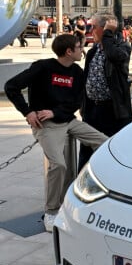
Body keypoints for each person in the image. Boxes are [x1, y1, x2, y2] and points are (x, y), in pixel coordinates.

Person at [4, 33, 108, 232]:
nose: (82, 50)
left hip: (68, 120)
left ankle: (84, 190)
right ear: (69, 51)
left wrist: (56, 111)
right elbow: (11, 87)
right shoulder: (42, 67)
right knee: (58, 165)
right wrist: (27, 112)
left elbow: (76, 102)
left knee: (106, 143)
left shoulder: (77, 72)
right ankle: (51, 211)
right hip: (47, 126)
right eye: (79, 47)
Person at [79, 13, 132, 169]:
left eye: (93, 27)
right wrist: (83, 104)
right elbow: (86, 78)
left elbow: (114, 56)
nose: (90, 31)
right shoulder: (93, 51)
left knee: (113, 149)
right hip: (92, 109)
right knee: (86, 151)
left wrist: (108, 34)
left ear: (105, 29)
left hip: (112, 109)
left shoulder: (122, 47)